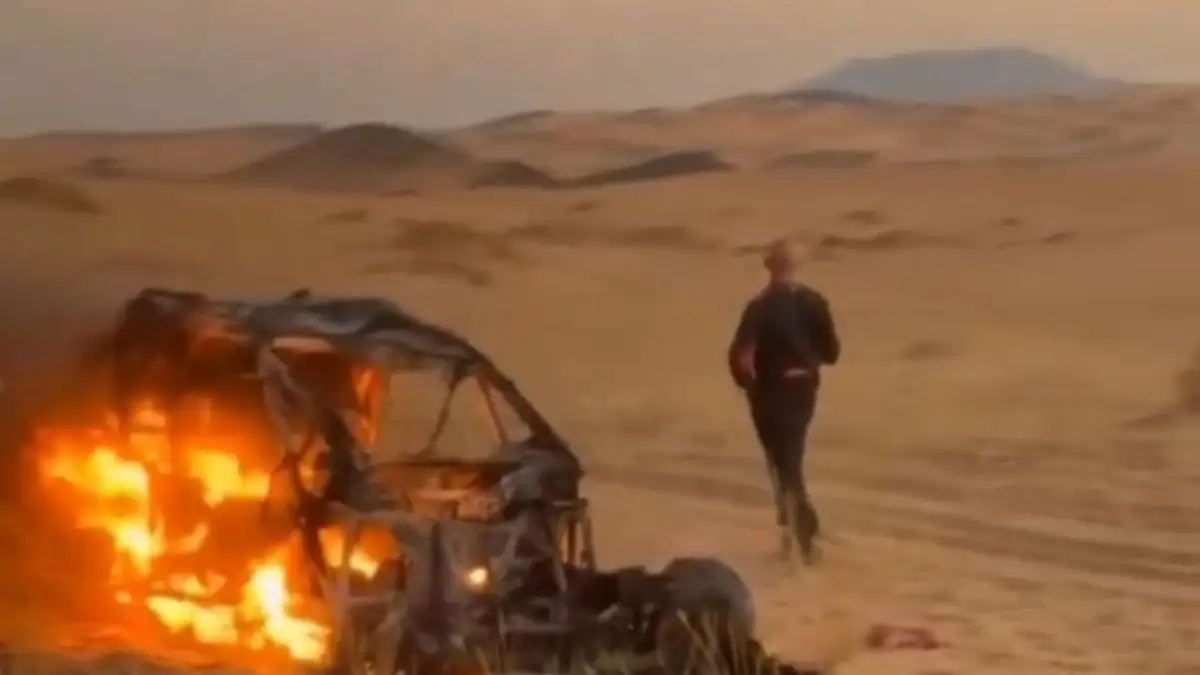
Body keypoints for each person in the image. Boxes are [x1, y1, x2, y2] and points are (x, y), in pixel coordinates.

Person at [726, 239, 841, 562]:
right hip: (803, 388)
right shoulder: (814, 301)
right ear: (796, 265)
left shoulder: (759, 307)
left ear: (768, 267)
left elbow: (740, 357)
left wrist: (748, 385)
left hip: (769, 391)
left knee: (782, 463)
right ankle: (795, 533)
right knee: (790, 459)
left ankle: (804, 533)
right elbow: (832, 353)